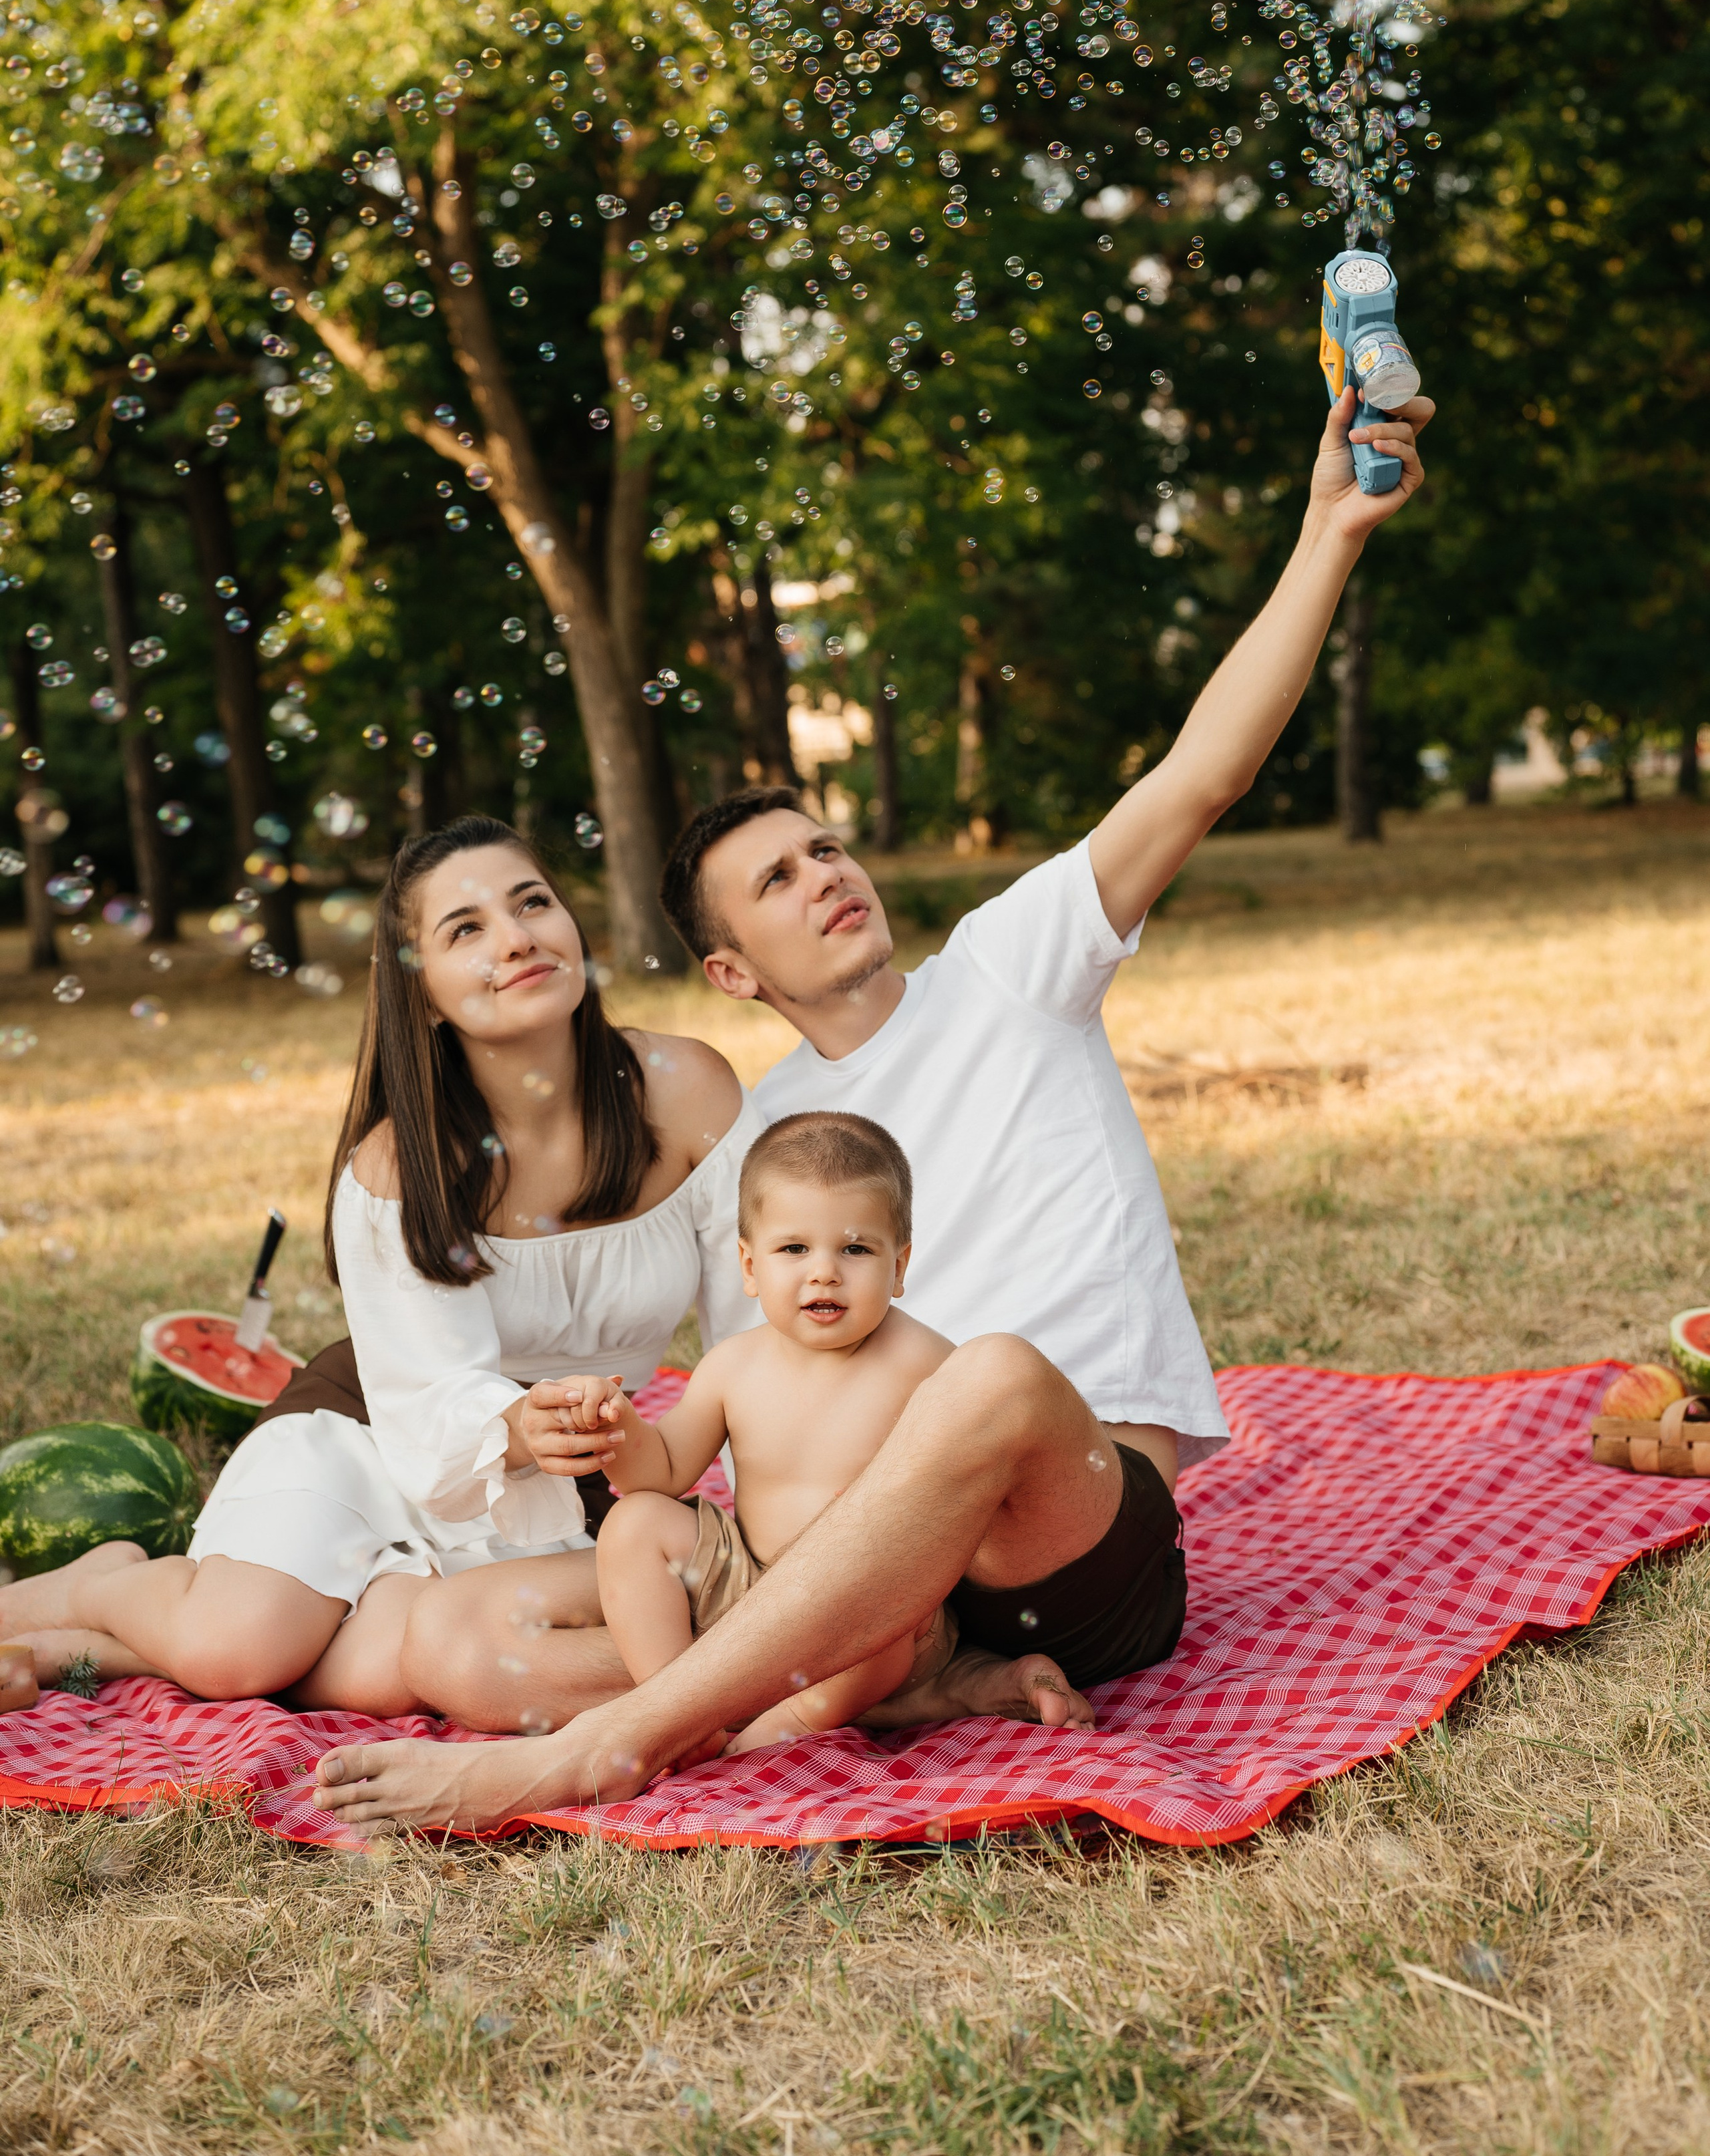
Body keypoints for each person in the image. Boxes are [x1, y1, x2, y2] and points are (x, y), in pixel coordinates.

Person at [312, 374, 1429, 1831]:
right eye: (777, 879)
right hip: (891, 1589)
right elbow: (750, 1400)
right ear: (728, 966)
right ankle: (893, 1686)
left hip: (1070, 1546)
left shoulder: (1011, 968)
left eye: (828, 847)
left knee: (986, 1370)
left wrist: (1329, 530)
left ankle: (613, 1745)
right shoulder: (773, 1147)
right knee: (483, 1640)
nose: (826, 875)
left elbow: (1198, 774)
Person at [0, 816, 761, 1718]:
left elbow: (759, 1328)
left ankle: (88, 1658)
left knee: (374, 1677)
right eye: (465, 929)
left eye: (533, 904)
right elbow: (427, 1394)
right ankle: (105, 1583)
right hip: (380, 1424)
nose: (516, 937)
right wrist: (515, 1427)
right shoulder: (398, 1165)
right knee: (238, 1648)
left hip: (568, 1480)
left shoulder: (688, 1092)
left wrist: (778, 1504)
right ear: (427, 994)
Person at [571, 1112, 966, 1752]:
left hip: (869, 1618)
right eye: (794, 1249)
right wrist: (619, 1430)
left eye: (856, 1249)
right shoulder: (733, 1365)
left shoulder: (925, 1363)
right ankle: (673, 1707)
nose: (824, 1272)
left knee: (888, 1609)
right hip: (751, 1595)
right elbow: (663, 1469)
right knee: (635, 1522)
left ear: (899, 1266)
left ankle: (789, 1724)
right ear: (750, 1267)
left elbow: (978, 1476)